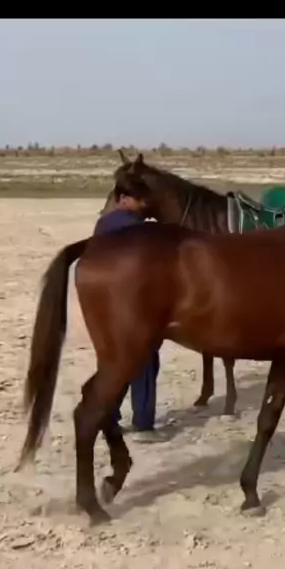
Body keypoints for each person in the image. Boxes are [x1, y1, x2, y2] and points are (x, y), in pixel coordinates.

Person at [94, 181, 168, 443]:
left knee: (116, 362)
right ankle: (143, 424)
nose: (145, 205)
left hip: (107, 305)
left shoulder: (104, 224)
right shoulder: (135, 227)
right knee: (144, 361)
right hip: (131, 304)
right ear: (123, 198)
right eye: (140, 199)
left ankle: (110, 416)